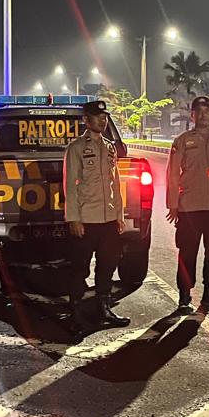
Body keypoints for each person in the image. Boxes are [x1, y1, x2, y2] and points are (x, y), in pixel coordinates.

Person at [62, 99, 132, 336]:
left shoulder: (110, 147)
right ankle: (76, 314)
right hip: (86, 218)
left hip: (108, 219)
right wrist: (74, 218)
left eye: (105, 117)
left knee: (107, 266)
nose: (103, 121)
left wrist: (119, 215)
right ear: (86, 120)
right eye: (98, 117)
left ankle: (104, 309)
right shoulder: (76, 148)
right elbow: (70, 185)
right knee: (79, 269)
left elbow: (116, 183)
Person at [165, 95, 209, 312]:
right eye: (200, 112)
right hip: (190, 207)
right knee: (187, 252)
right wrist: (173, 204)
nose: (204, 115)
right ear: (193, 115)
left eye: (208, 112)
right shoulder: (183, 141)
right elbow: (172, 174)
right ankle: (184, 296)